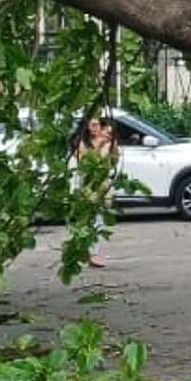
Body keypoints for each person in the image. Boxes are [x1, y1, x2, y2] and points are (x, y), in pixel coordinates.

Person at [73, 114, 115, 269]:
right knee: (89, 217)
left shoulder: (106, 141)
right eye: (92, 125)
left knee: (100, 218)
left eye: (97, 124)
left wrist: (111, 143)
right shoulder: (81, 143)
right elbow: (88, 161)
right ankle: (90, 252)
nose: (96, 128)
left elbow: (112, 158)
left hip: (103, 183)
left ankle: (93, 252)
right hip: (88, 184)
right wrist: (100, 143)